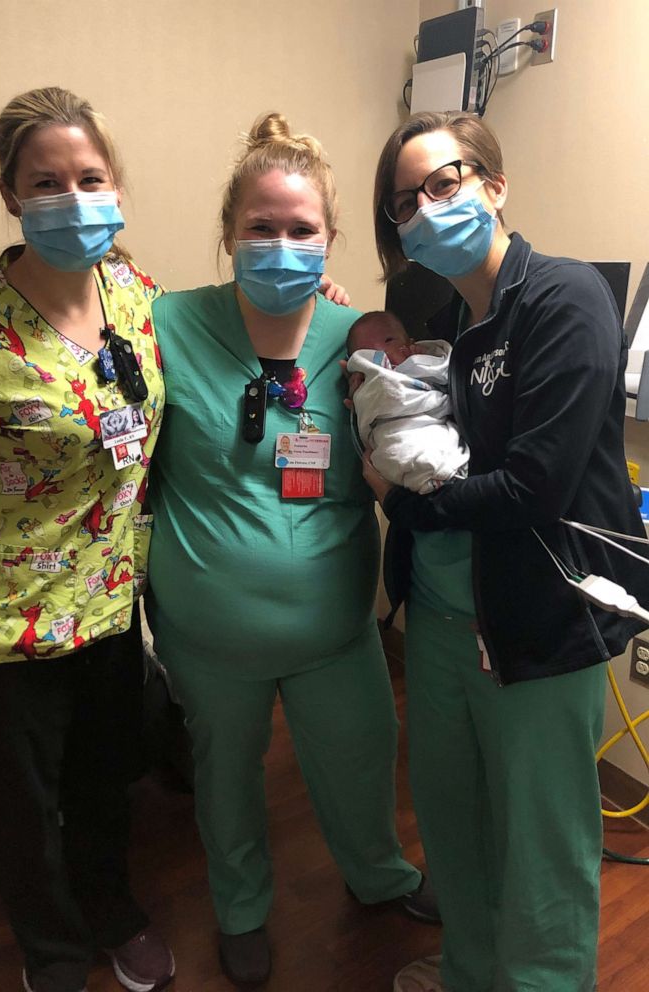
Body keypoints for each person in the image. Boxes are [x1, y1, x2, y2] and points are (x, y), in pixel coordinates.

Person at [145, 112, 438, 988]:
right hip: (209, 632)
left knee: (359, 754)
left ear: (330, 239)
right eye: (260, 229)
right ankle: (240, 910)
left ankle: (379, 876)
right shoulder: (167, 324)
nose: (280, 246)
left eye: (300, 231)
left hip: (336, 630)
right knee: (225, 778)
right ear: (228, 235)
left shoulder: (359, 339)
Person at [367, 110, 649, 992]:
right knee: (454, 829)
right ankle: (469, 972)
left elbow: (535, 489)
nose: (424, 208)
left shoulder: (564, 298)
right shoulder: (449, 320)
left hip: (536, 632)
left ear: (494, 184)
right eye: (405, 201)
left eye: (443, 182)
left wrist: (402, 503)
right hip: (448, 628)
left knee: (541, 849)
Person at [0, 87, 174, 992]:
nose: (72, 196)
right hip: (0, 631)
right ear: (11, 196)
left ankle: (113, 912)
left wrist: (336, 305)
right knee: (25, 811)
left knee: (106, 787)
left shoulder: (136, 295)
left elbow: (223, 343)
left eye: (89, 177)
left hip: (107, 611)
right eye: (46, 181)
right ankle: (52, 952)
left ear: (117, 184)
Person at [346, 310, 468, 492]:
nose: (382, 352)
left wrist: (423, 360)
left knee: (443, 442)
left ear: (411, 343)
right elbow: (370, 409)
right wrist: (361, 397)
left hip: (430, 420)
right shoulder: (367, 383)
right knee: (394, 452)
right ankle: (428, 476)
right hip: (393, 429)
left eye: (389, 341)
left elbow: (444, 375)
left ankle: (442, 471)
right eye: (368, 352)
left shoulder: (420, 361)